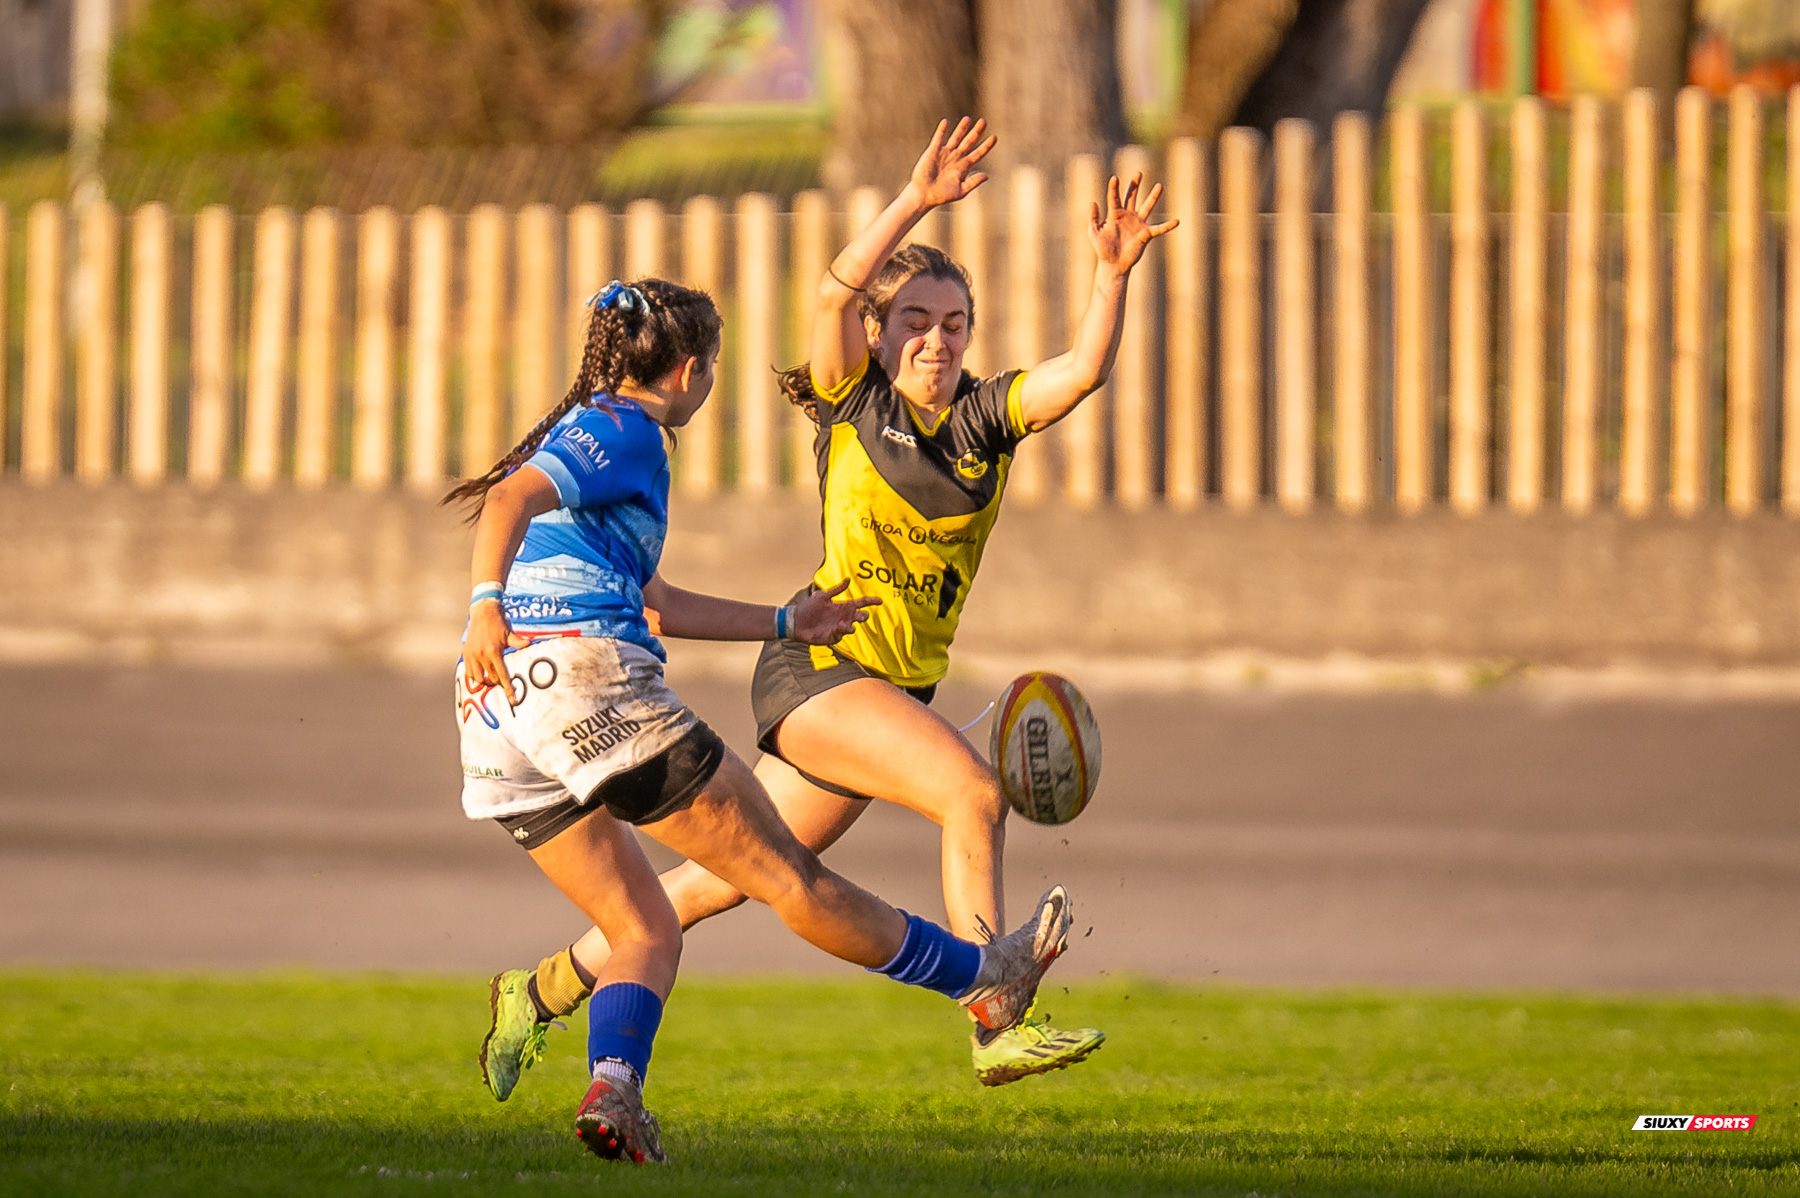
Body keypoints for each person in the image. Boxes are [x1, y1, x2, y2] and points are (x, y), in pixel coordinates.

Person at [483, 116, 1170, 1096]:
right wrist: (917, 202)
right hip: (821, 675)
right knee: (973, 794)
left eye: (954, 324)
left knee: (727, 881)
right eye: (915, 322)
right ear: (880, 338)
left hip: (893, 689)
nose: (935, 339)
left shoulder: (986, 418)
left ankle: (538, 988)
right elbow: (833, 291)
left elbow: (1084, 372)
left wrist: (1113, 275)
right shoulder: (855, 398)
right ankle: (994, 1014)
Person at [448, 275, 1074, 1163]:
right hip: (581, 680)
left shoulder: (598, 433)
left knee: (651, 924)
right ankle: (984, 977)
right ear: (693, 368)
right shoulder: (627, 430)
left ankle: (608, 1089)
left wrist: (786, 621)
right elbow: (510, 498)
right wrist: (484, 605)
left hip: (493, 715)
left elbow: (656, 603)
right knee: (795, 882)